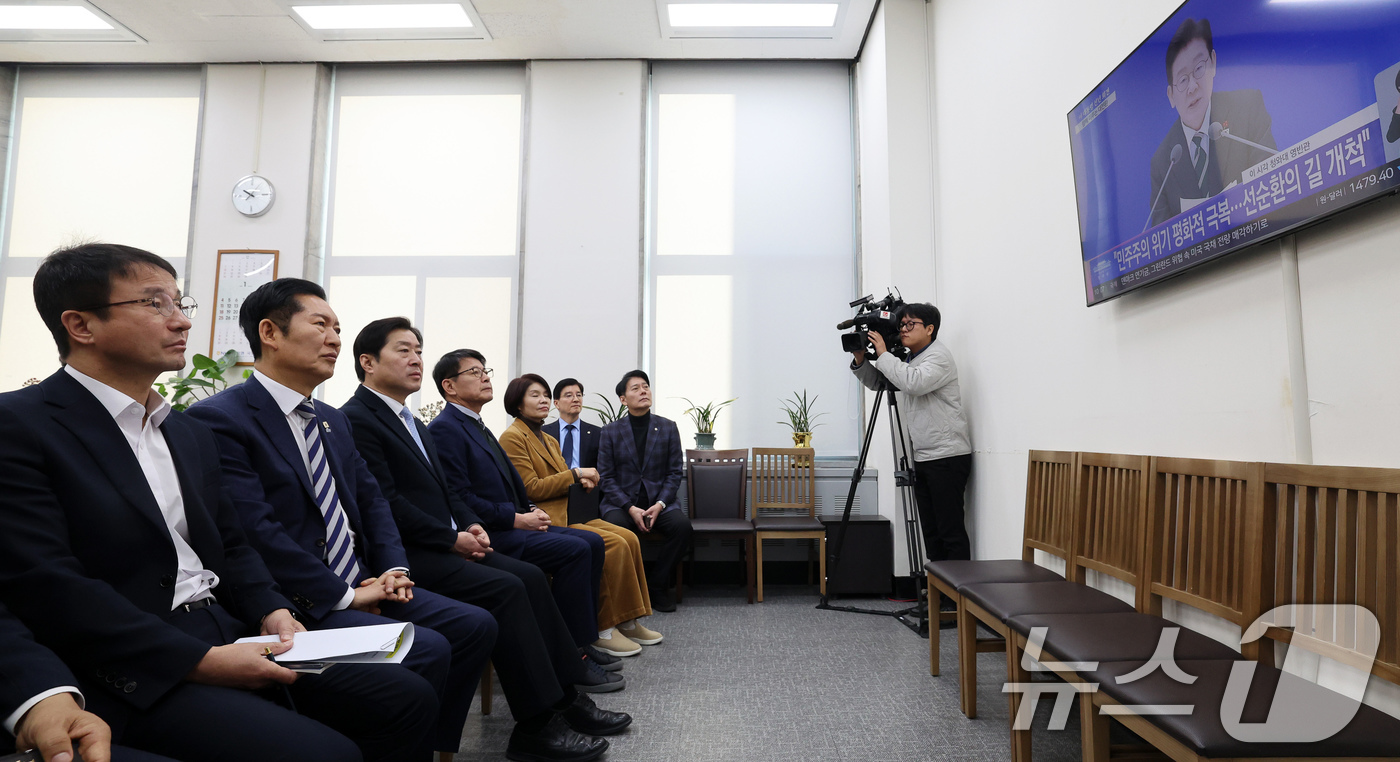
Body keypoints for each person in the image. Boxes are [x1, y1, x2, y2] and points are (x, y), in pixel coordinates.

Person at [0, 243, 436, 762]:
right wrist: (202, 660)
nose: (181, 321)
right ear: (81, 325)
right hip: (128, 655)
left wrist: (272, 610)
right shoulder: (23, 424)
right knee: (323, 751)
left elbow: (231, 542)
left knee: (406, 697)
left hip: (227, 623)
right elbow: (51, 583)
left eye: (180, 303)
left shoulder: (184, 430)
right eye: (155, 304)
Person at [185, 279, 500, 762]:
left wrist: (395, 569)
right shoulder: (221, 417)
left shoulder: (333, 419)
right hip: (299, 597)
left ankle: (438, 747)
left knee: (475, 624)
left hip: (367, 579)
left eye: (338, 328)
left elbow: (373, 503)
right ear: (270, 332)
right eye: (321, 325)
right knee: (429, 648)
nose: (335, 339)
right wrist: (347, 595)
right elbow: (255, 530)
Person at [339, 318, 630, 758]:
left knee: (529, 578)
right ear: (367, 362)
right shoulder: (356, 418)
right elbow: (386, 502)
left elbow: (444, 491)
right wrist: (452, 536)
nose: (416, 359)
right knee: (509, 586)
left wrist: (468, 525)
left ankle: (566, 698)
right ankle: (534, 725)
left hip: (446, 539)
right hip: (407, 553)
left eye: (419, 349)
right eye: (404, 350)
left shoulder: (411, 419)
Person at [426, 350, 608, 654]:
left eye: (485, 371)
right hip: (490, 532)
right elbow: (458, 497)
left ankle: (582, 640)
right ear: (449, 386)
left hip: (513, 523)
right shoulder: (446, 428)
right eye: (474, 372)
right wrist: (515, 518)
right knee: (576, 549)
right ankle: (569, 652)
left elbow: (513, 487)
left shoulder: (478, 425)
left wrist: (530, 509)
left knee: (593, 542)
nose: (485, 376)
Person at [499, 374, 660, 658]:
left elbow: (563, 477)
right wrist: (575, 474)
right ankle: (603, 628)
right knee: (613, 545)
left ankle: (628, 620)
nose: (543, 400)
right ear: (517, 403)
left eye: (545, 395)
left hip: (572, 510)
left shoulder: (547, 438)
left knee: (629, 538)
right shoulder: (513, 437)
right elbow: (529, 488)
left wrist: (580, 482)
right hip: (549, 517)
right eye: (535, 395)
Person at [850, 303, 972, 586]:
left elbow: (913, 383)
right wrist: (861, 361)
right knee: (932, 531)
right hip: (926, 455)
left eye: (910, 325)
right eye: (901, 325)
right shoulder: (912, 359)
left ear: (929, 329)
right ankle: (939, 593)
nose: (902, 330)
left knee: (950, 532)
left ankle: (960, 598)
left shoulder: (938, 357)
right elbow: (884, 383)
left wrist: (882, 354)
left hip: (947, 456)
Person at [1148, 17, 1276, 227]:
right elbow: (1162, 241)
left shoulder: (1248, 108)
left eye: (1199, 68)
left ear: (1213, 63)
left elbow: (1271, 184)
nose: (1193, 87)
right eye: (1182, 80)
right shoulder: (1163, 162)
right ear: (1171, 96)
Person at [596, 370, 693, 613]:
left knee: (682, 528)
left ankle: (656, 586)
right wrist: (630, 507)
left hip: (660, 502)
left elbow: (674, 473)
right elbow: (606, 477)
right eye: (636, 388)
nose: (643, 391)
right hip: (622, 504)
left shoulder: (668, 428)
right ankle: (628, 591)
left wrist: (660, 503)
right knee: (616, 530)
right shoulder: (610, 431)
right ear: (623, 399)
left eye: (646, 386)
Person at [543, 379, 601, 470]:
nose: (576, 399)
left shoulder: (597, 433)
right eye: (569, 396)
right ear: (557, 403)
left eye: (579, 395)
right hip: (555, 482)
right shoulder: (543, 433)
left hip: (586, 482)